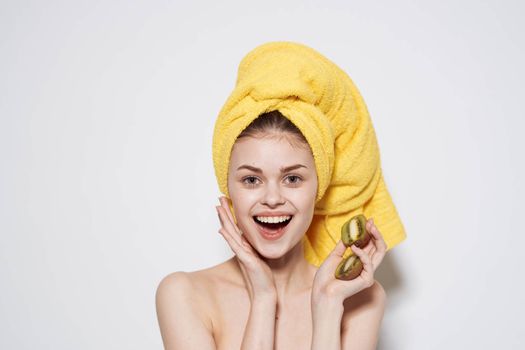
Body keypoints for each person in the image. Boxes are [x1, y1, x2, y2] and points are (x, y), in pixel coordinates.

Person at [156, 42, 406, 350]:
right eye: (251, 179)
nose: (272, 198)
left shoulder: (359, 299)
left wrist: (327, 306)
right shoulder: (184, 293)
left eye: (292, 178)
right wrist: (264, 300)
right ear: (229, 189)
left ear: (319, 188)